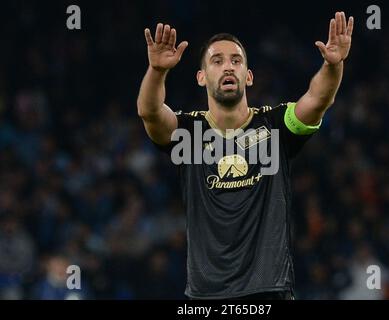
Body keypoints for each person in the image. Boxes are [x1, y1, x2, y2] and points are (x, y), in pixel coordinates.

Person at [137, 12, 354, 299]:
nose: (228, 67)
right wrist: (157, 71)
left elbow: (318, 99)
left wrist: (333, 64)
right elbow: (149, 111)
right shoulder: (189, 133)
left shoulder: (276, 126)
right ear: (201, 77)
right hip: (205, 295)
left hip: (268, 290)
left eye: (236, 61)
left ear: (248, 76)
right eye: (217, 61)